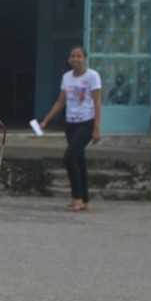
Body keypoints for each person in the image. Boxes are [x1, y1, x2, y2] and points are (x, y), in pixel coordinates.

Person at [39, 46, 101, 212]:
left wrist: (96, 128)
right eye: (73, 56)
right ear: (69, 59)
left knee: (69, 158)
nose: (75, 59)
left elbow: (97, 103)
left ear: (85, 58)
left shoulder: (92, 76)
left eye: (79, 56)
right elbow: (61, 102)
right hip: (71, 123)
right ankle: (85, 199)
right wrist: (46, 121)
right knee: (79, 161)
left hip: (86, 122)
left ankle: (77, 197)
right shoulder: (66, 77)